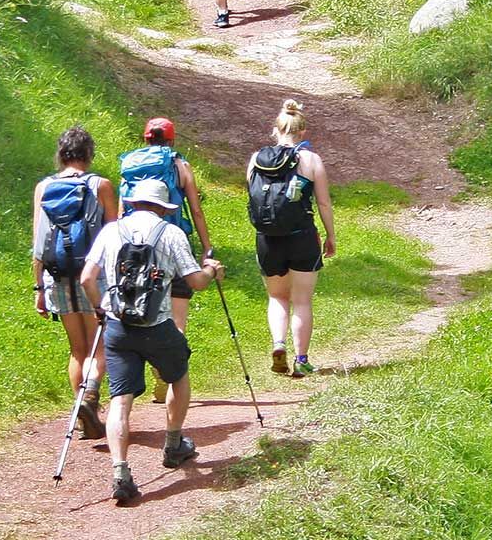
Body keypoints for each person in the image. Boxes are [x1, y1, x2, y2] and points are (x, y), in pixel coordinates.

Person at [80, 178, 226, 506]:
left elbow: (87, 278)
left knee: (121, 400)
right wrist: (212, 270)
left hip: (118, 326)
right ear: (162, 207)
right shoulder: (171, 233)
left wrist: (99, 309)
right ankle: (173, 445)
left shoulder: (111, 231)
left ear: (132, 203)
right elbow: (196, 282)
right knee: (178, 376)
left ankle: (120, 472)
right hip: (158, 326)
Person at [31, 125, 121, 439]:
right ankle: (91, 396)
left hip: (56, 275)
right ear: (88, 154)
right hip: (92, 277)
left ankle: (84, 418)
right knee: (99, 346)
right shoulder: (102, 186)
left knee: (76, 349)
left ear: (62, 154)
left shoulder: (44, 187)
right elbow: (114, 235)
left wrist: (39, 289)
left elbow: (39, 242)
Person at [118, 116, 213, 402]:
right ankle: (171, 379)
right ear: (171, 139)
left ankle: (147, 373)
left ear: (146, 138)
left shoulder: (129, 164)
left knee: (141, 306)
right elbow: (195, 210)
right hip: (173, 241)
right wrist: (207, 247)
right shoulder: (179, 165)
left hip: (136, 247)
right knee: (177, 318)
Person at [247, 99, 334, 378]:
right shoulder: (310, 160)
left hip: (267, 237)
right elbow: (323, 204)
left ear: (276, 129)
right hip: (302, 237)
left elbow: (252, 195)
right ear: (303, 131)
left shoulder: (256, 159)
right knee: (302, 300)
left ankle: (278, 344)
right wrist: (330, 236)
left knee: (276, 296)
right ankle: (301, 359)